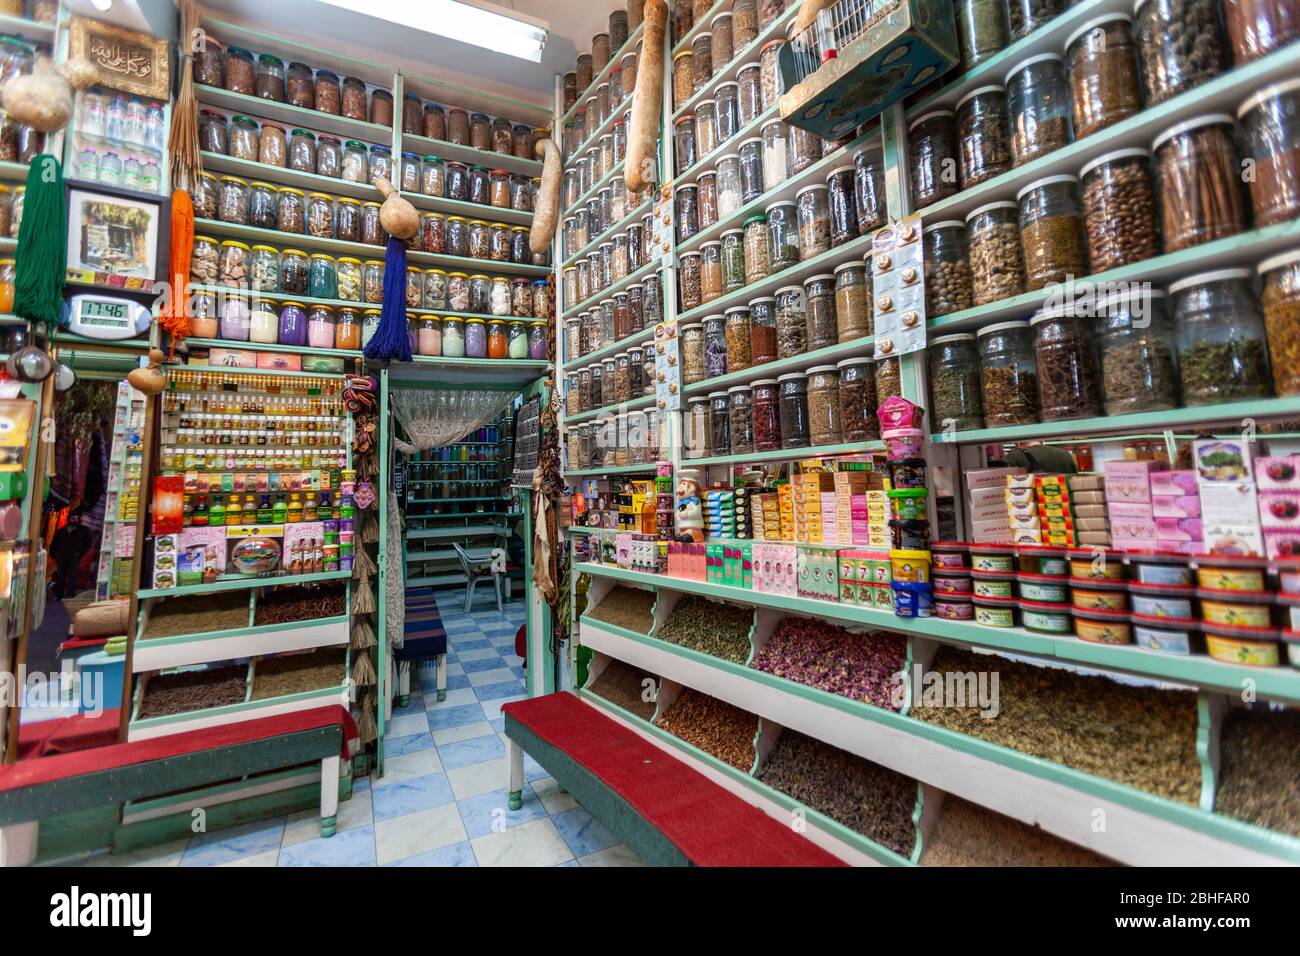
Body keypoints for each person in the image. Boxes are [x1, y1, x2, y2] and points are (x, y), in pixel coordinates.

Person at [50, 511, 93, 599]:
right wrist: (54, 553)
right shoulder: (61, 531)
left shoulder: (84, 530)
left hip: (74, 556)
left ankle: (70, 593)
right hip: (62, 556)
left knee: (72, 575)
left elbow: (88, 543)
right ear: (69, 519)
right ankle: (59, 594)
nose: (75, 520)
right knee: (60, 575)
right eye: (73, 518)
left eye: (77, 519)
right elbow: (54, 543)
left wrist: (80, 553)